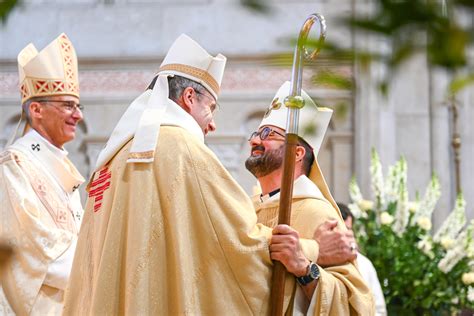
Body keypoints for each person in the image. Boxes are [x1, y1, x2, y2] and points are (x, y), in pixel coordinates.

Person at [63, 34, 323, 315]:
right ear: (189, 98)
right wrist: (312, 251)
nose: (212, 125)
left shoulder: (112, 157)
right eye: (211, 108)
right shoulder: (183, 148)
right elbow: (239, 242)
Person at [246, 81, 375, 315]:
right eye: (255, 134)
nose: (255, 141)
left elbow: (353, 304)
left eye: (267, 134)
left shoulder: (319, 213)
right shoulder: (248, 208)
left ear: (297, 153)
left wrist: (305, 269)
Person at [0, 33, 85, 315]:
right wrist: (101, 262)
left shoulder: (58, 164)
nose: (78, 115)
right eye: (68, 105)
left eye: (78, 105)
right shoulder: (15, 166)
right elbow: (35, 249)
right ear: (36, 109)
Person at [338, 202, 388, 316]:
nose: (344, 234)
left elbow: (379, 310)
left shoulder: (365, 264)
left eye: (348, 229)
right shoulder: (316, 260)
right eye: (339, 228)